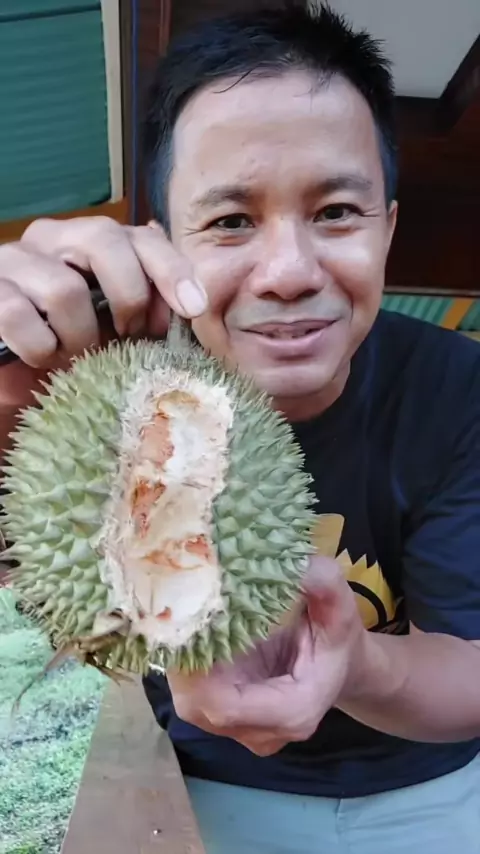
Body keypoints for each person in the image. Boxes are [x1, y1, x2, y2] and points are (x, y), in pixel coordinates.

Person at [1, 4, 480, 852]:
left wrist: (359, 664)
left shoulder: (460, 388)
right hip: (211, 786)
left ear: (388, 228)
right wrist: (8, 399)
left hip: (431, 788)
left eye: (337, 210)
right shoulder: (94, 379)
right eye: (229, 221)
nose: (289, 272)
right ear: (163, 242)